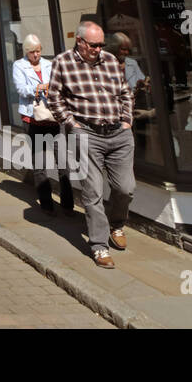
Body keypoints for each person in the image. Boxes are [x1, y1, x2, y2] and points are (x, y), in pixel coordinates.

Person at [46, 20, 135, 270]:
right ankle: (99, 246)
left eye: (101, 44)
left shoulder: (110, 60)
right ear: (80, 42)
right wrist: (71, 123)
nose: (98, 49)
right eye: (93, 45)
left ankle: (116, 225)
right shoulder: (63, 62)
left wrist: (127, 120)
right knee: (93, 191)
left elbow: (125, 93)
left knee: (125, 188)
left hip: (119, 133)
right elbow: (54, 98)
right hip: (86, 133)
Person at [12, 35, 72, 215]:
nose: (36, 55)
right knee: (40, 163)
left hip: (53, 118)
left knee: (63, 162)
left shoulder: (49, 64)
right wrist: (38, 88)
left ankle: (68, 204)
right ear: (26, 52)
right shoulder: (18, 65)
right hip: (33, 119)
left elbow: (60, 84)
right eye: (32, 52)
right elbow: (21, 89)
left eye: (38, 51)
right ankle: (46, 204)